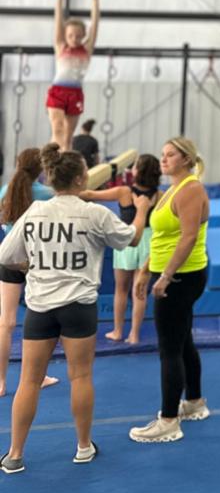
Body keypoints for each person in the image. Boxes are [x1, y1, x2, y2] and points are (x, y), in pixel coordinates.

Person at [0, 150, 149, 473]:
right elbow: (132, 239)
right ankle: (83, 447)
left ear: (51, 179)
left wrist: (35, 267)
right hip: (79, 306)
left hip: (41, 306)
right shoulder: (94, 214)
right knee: (80, 376)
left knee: (28, 381)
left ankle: (14, 454)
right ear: (82, 179)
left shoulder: (35, 211)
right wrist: (142, 210)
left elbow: (5, 255)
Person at [128, 138, 210, 444]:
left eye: (170, 155)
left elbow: (187, 238)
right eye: (162, 154)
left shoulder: (190, 189)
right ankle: (194, 402)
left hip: (182, 278)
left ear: (186, 158)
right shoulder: (172, 190)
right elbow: (163, 237)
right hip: (173, 274)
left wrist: (165, 276)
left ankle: (168, 421)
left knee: (169, 349)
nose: (164, 159)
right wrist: (145, 268)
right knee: (182, 339)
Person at [82, 153, 161, 345]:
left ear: (136, 171)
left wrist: (64, 191)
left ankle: (117, 331)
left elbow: (91, 195)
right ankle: (134, 334)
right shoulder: (160, 196)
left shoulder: (124, 192)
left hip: (127, 238)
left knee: (121, 289)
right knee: (139, 290)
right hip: (149, 240)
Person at [0, 148, 59, 397]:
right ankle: (39, 376)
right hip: (38, 261)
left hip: (10, 259)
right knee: (41, 324)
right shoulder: (47, 194)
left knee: (6, 322)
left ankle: (0, 382)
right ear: (42, 168)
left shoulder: (5, 190)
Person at [45, 0, 106, 149]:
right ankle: (53, 164)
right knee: (57, 129)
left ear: (83, 36)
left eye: (79, 36)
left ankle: (66, 169)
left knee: (68, 137)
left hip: (75, 93)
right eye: (71, 35)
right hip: (58, 91)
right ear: (65, 35)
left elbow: (95, 25)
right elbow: (58, 20)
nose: (74, 39)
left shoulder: (86, 48)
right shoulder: (60, 46)